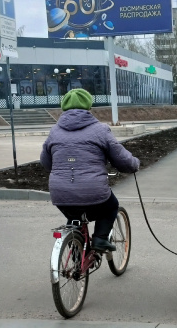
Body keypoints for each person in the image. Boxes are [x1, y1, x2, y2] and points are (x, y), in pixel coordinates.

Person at [40, 88, 140, 252]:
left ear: (63, 107)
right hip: (92, 190)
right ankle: (100, 239)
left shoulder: (54, 132)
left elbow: (45, 162)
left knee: (73, 216)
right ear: (88, 107)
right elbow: (121, 158)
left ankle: (76, 251)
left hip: (60, 192)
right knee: (111, 206)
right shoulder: (100, 130)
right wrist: (134, 164)